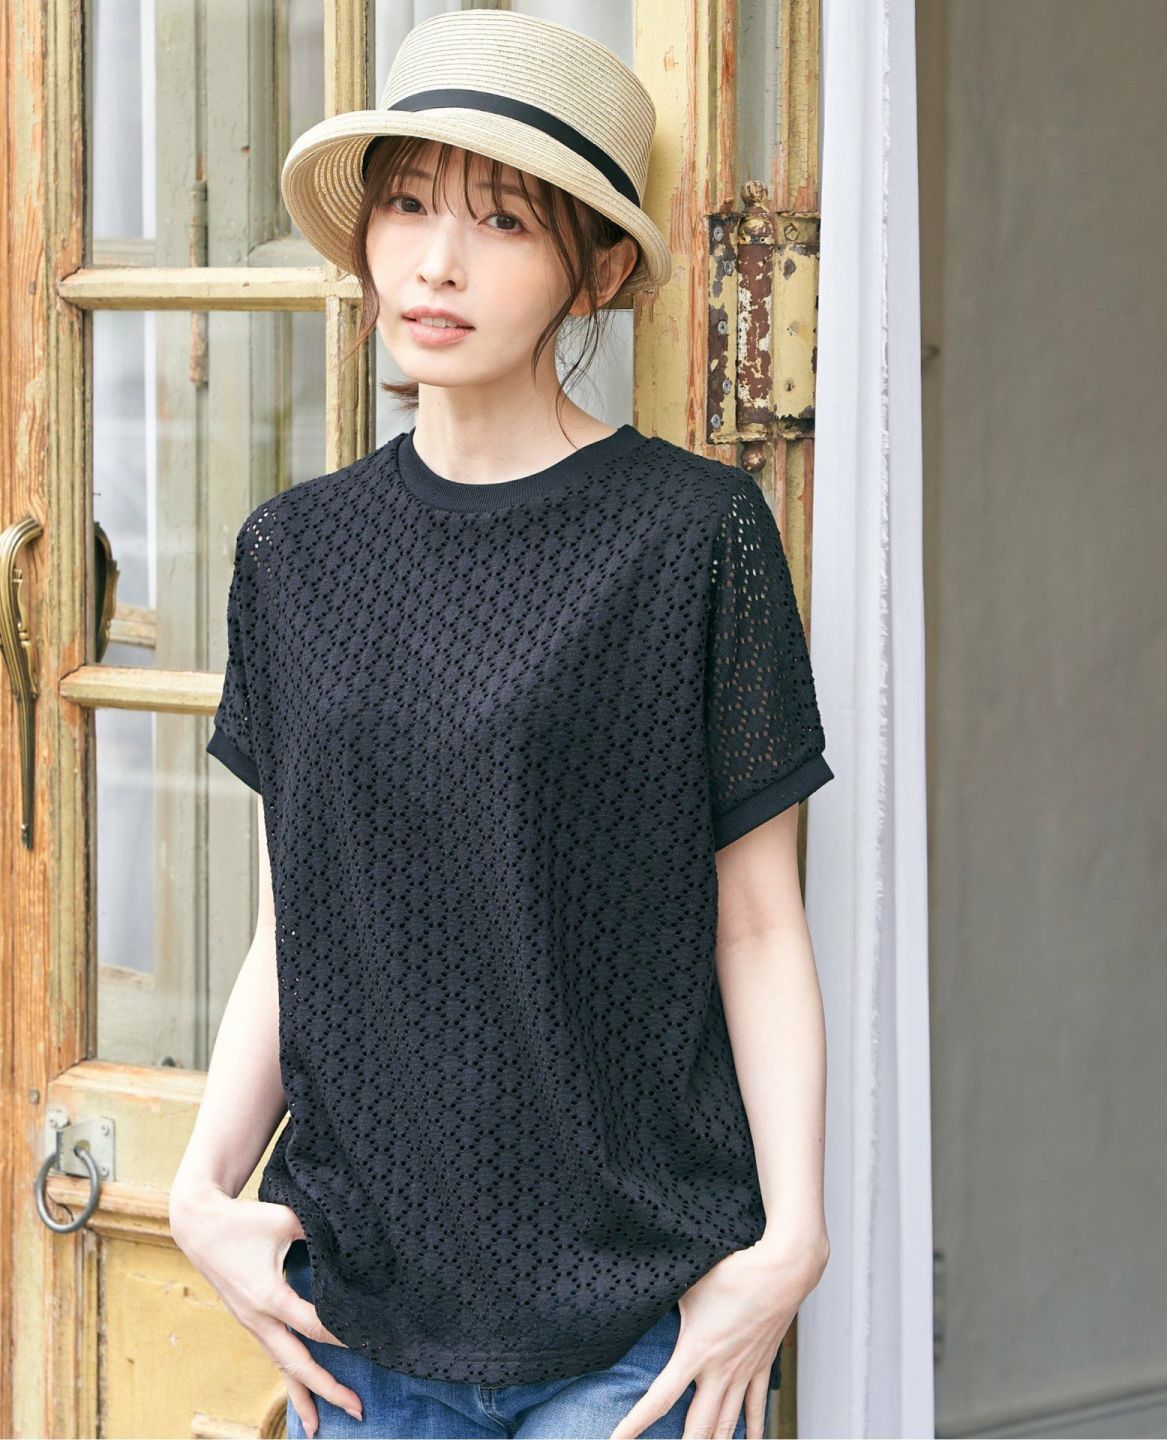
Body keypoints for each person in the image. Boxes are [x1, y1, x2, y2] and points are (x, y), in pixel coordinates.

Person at [168, 11, 835, 1440]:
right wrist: (199, 1192)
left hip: (636, 1318)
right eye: (408, 205)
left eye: (503, 221)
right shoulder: (294, 553)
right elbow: (298, 924)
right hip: (359, 1317)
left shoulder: (694, 536)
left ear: (597, 271)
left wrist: (792, 1240)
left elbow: (759, 923)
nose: (437, 262)